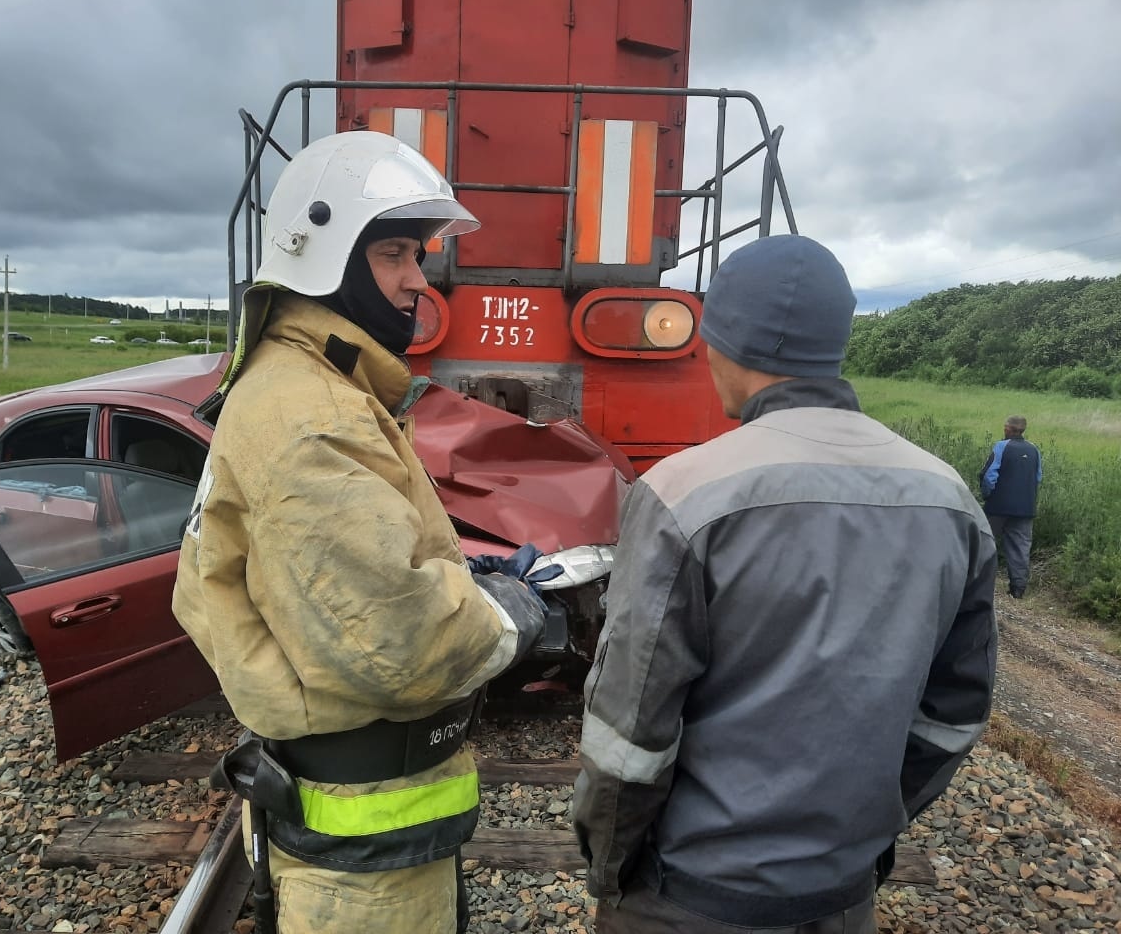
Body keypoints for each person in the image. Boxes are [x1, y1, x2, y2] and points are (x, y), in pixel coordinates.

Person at [171, 131, 549, 934]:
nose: (420, 278)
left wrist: (447, 577)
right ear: (325, 258)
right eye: (395, 253)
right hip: (363, 865)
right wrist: (510, 610)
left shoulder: (296, 387)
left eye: (418, 254)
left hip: (355, 834)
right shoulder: (314, 420)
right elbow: (406, 651)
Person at [573, 235, 998, 934]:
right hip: (840, 897)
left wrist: (611, 868)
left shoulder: (682, 495)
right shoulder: (950, 500)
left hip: (690, 898)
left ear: (721, 343)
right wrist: (859, 839)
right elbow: (953, 715)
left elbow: (630, 734)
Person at [979, 415, 1042, 599]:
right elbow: (1038, 477)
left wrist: (987, 495)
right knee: (1021, 546)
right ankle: (1018, 589)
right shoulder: (1034, 449)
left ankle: (977, 582)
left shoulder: (1001, 446)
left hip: (998, 506)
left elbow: (989, 476)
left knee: (984, 541)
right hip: (1025, 508)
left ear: (1008, 429)